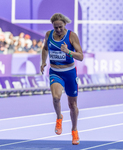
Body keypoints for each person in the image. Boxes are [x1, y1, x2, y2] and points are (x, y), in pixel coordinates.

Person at [41, 13, 83, 145]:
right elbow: (45, 49)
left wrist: (68, 51)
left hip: (70, 73)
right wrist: (43, 62)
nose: (58, 30)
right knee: (56, 97)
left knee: (72, 105)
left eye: (60, 27)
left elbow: (81, 56)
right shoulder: (49, 35)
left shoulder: (71, 36)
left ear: (65, 24)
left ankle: (74, 130)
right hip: (55, 72)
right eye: (56, 27)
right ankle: (59, 117)